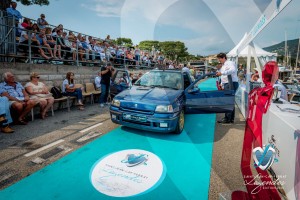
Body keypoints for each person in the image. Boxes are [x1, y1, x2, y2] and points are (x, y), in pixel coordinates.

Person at [216, 52, 239, 124]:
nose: (219, 60)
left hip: (230, 83)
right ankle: (230, 118)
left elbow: (233, 70)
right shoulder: (224, 65)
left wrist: (222, 73)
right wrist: (222, 84)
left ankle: (227, 118)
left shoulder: (229, 63)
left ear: (223, 58)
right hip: (228, 83)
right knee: (230, 101)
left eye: (220, 59)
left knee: (228, 101)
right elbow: (224, 77)